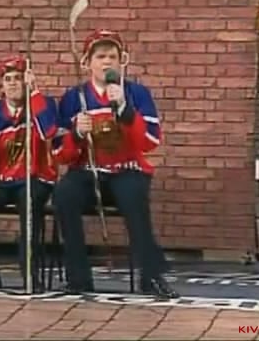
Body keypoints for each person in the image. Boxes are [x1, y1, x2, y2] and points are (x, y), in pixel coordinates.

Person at [53, 29, 179, 298]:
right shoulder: (74, 98)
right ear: (87, 62)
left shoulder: (137, 93)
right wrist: (77, 134)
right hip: (87, 170)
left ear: (123, 61)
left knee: (134, 198)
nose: (107, 62)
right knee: (64, 195)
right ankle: (78, 278)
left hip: (127, 169)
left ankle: (151, 277)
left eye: (112, 56)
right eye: (100, 57)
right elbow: (60, 153)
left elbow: (150, 141)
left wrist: (124, 109)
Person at [0, 55, 58, 292]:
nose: (13, 83)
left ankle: (30, 275)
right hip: (2, 182)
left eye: (18, 78)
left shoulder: (44, 105)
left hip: (35, 179)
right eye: (8, 79)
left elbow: (49, 131)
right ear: (2, 85)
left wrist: (34, 93)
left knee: (30, 201)